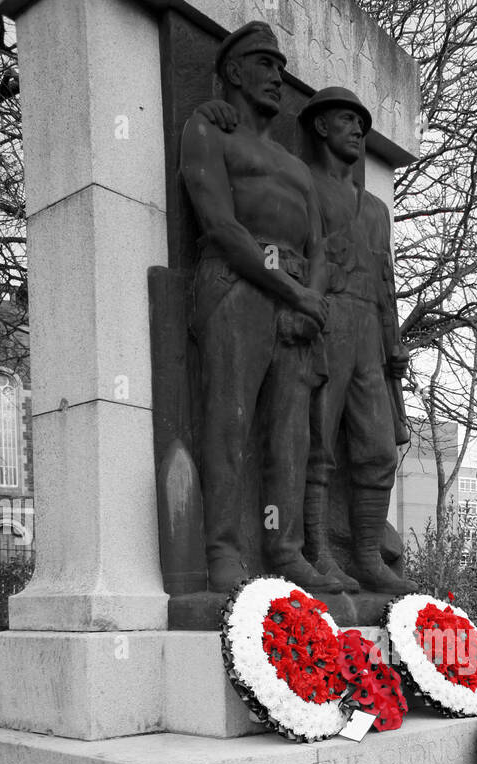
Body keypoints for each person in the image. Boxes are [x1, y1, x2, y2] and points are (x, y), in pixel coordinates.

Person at [180, 22, 343, 594]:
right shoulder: (209, 129)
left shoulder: (297, 167)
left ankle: (283, 546)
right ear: (231, 71)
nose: (277, 75)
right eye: (264, 63)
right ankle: (222, 549)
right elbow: (221, 225)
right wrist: (292, 291)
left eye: (279, 66)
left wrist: (310, 300)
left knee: (289, 435)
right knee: (230, 421)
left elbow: (320, 248)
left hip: (295, 304)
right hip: (236, 287)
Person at [300, 88, 415, 595]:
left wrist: (393, 341)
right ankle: (317, 550)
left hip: (369, 329)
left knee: (377, 448)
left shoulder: (375, 209)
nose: (358, 130)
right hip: (326, 322)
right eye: (347, 119)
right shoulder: (302, 185)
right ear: (321, 126)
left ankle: (367, 555)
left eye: (362, 123)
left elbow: (387, 278)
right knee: (316, 441)